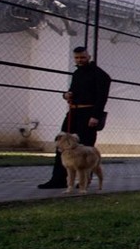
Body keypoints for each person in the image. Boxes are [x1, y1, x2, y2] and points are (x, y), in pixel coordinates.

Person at [37, 46, 112, 189]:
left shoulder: (100, 75)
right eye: (77, 58)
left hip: (88, 114)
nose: (79, 60)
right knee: (63, 146)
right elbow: (72, 91)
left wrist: (95, 116)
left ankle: (85, 181)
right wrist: (66, 95)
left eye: (82, 57)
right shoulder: (77, 73)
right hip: (73, 113)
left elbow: (102, 97)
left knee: (85, 147)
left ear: (89, 57)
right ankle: (58, 179)